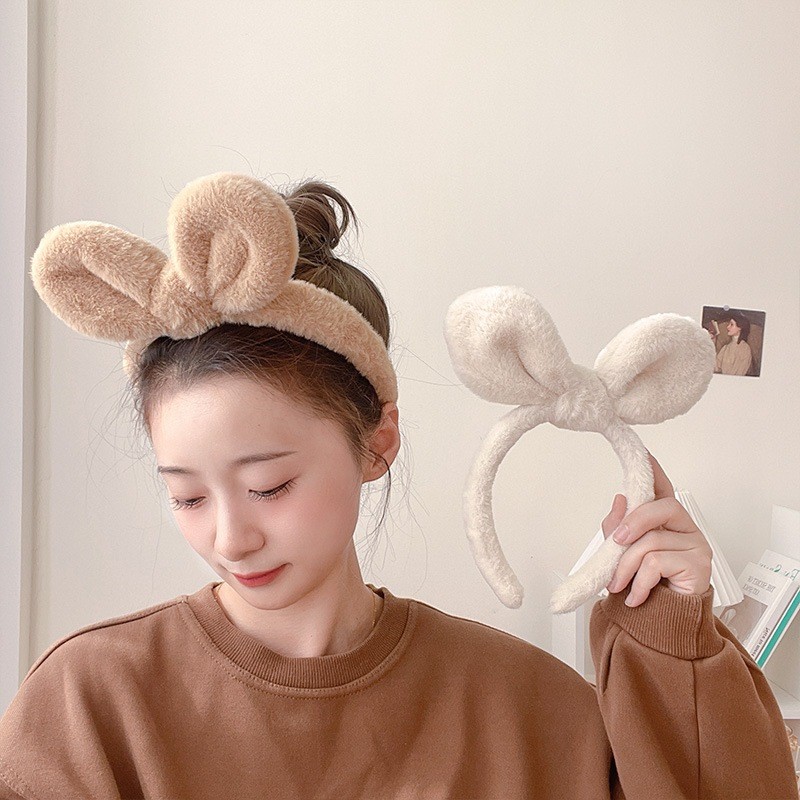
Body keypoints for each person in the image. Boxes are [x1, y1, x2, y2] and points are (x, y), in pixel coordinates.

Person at [1, 173, 797, 800]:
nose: (229, 538)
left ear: (377, 441)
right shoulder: (89, 705)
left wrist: (673, 644)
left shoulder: (528, 709)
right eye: (188, 497)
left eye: (270, 486)